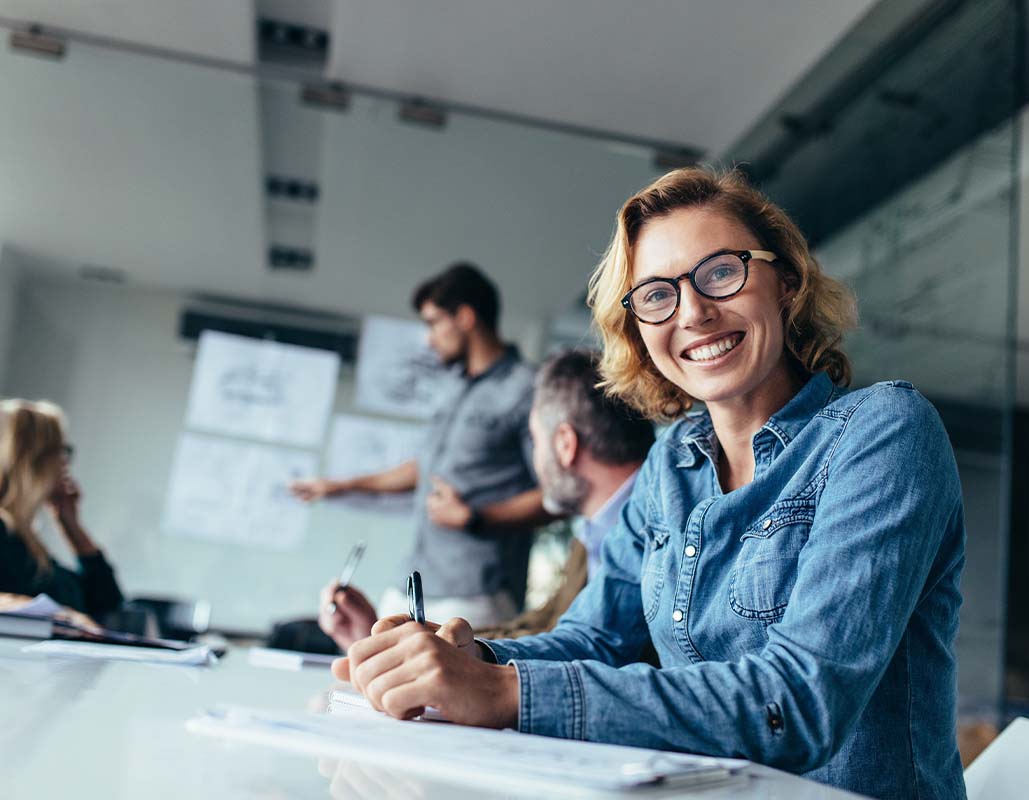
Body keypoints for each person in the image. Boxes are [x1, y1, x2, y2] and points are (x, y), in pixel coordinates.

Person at [332, 168, 968, 800]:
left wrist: (504, 693)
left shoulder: (884, 431)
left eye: (721, 271)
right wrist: (471, 662)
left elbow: (797, 701)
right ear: (637, 327)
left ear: (786, 282)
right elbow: (599, 638)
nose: (693, 311)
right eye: (658, 295)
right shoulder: (672, 464)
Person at [319, 348, 655, 649]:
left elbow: (579, 654)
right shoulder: (592, 538)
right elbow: (544, 630)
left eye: (536, 441)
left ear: (565, 445)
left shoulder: (655, 535)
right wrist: (396, 643)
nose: (534, 465)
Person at [292, 263, 551, 627]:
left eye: (433, 323)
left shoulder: (528, 389)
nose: (429, 339)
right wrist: (341, 486)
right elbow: (426, 466)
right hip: (411, 583)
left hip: (475, 595)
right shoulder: (452, 389)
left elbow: (558, 495)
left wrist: (476, 519)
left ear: (464, 317)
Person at [0, 399, 124, 617]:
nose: (65, 463)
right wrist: (60, 615)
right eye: (61, 451)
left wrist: (71, 524)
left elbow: (106, 602)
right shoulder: (4, 534)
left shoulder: (26, 542)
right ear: (33, 458)